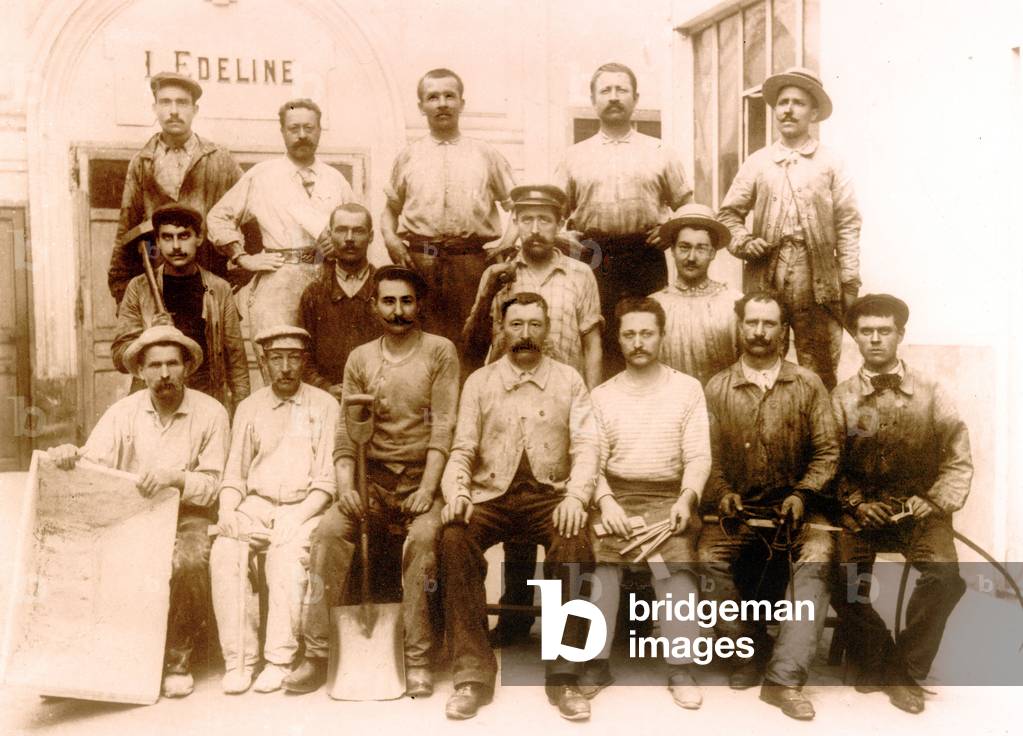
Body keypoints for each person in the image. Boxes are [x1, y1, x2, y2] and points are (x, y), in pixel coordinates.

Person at [285, 266, 459, 697]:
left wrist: (427, 489)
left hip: (423, 481)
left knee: (422, 544)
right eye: (388, 301)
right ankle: (317, 651)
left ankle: (417, 657)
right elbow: (347, 432)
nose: (397, 311)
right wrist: (347, 489)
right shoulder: (361, 358)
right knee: (328, 534)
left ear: (418, 304)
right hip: (372, 480)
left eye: (406, 301)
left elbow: (443, 427)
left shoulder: (440, 352)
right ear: (374, 304)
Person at [438, 292, 597, 721]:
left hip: (550, 497)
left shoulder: (569, 380)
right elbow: (462, 448)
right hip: (492, 495)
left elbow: (587, 447)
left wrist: (577, 496)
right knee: (454, 538)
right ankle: (472, 675)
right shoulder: (481, 382)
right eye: (516, 325)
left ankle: (565, 677)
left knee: (575, 545)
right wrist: (457, 492)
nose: (525, 334)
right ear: (502, 329)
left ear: (547, 330)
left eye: (534, 325)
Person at [48, 325, 230, 699]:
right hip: (131, 514)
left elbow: (213, 484)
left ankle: (178, 659)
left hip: (189, 513)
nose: (165, 374)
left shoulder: (211, 413)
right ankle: (85, 660)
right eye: (155, 365)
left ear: (187, 367)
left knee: (190, 560)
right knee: (88, 555)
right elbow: (93, 461)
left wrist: (174, 478)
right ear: (140, 371)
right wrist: (69, 455)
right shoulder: (122, 413)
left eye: (173, 364)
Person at [697, 290, 839, 721]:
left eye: (769, 324)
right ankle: (747, 651)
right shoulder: (716, 388)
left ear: (784, 330)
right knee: (706, 558)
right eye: (752, 323)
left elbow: (828, 452)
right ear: (740, 327)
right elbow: (707, 457)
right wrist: (723, 492)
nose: (759, 333)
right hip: (736, 514)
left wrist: (802, 494)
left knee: (817, 560)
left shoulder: (807, 383)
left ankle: (784, 679)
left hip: (798, 510)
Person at [830, 294, 972, 714]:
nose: (875, 339)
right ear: (855, 337)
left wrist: (934, 499)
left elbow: (957, 456)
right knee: (840, 579)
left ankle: (899, 666)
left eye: (884, 331)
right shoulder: (840, 399)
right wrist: (854, 503)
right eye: (866, 331)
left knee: (947, 577)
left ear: (900, 335)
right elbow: (828, 463)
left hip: (918, 511)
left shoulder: (932, 392)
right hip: (862, 513)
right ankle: (888, 663)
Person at [582, 297, 710, 709]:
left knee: (677, 572)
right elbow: (590, 460)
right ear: (618, 339)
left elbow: (698, 456)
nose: (638, 342)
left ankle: (680, 668)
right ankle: (596, 664)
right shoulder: (601, 396)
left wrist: (687, 500)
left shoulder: (687, 389)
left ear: (662, 336)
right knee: (605, 566)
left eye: (647, 333)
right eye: (629, 334)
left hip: (669, 498)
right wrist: (605, 502)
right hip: (616, 498)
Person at [209, 326, 339, 694]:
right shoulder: (250, 407)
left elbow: (327, 482)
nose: (285, 367)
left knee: (284, 555)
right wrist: (229, 512)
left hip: (306, 506)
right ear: (263, 362)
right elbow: (234, 474)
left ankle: (279, 659)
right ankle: (240, 660)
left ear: (304, 360)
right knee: (224, 550)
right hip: (257, 503)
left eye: (294, 357)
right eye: (277, 358)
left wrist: (296, 518)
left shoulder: (325, 406)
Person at [718, 67, 861, 390]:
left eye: (798, 103)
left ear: (813, 113)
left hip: (818, 279)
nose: (788, 110)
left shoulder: (830, 162)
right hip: (766, 274)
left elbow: (849, 223)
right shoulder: (758, 162)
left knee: (819, 367)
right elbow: (728, 216)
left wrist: (849, 282)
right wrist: (744, 242)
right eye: (782, 102)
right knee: (761, 356)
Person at [555, 62, 693, 376]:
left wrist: (670, 230)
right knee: (598, 335)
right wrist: (561, 237)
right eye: (606, 90)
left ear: (636, 98)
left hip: (644, 255)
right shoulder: (574, 156)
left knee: (645, 334)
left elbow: (686, 206)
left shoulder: (661, 152)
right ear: (593, 101)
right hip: (593, 256)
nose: (614, 97)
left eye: (622, 90)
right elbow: (554, 213)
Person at [207, 98, 354, 374]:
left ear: (320, 130)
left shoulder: (335, 179)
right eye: (294, 128)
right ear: (283, 132)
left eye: (309, 128)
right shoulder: (263, 175)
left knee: (327, 365)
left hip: (328, 277)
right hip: (279, 280)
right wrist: (241, 257)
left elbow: (357, 230)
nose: (301, 135)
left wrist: (339, 244)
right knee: (280, 365)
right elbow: (218, 217)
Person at [381, 68, 517, 344]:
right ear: (422, 107)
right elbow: (390, 210)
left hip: (470, 264)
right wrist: (391, 240)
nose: (442, 103)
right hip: (419, 262)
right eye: (433, 97)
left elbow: (518, 207)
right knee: (418, 341)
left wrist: (507, 242)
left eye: (449, 96)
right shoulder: (409, 156)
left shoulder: (485, 154)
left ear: (461, 103)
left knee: (471, 341)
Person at [108, 72, 244, 305]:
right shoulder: (142, 163)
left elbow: (252, 216)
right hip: (158, 287)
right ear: (155, 108)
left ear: (195, 110)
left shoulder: (220, 160)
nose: (173, 110)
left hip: (209, 287)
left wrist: (241, 268)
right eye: (165, 102)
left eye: (182, 102)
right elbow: (127, 230)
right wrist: (120, 287)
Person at [111, 203, 249, 411]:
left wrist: (241, 413)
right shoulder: (139, 288)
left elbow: (236, 360)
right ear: (157, 241)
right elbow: (119, 357)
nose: (176, 246)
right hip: (154, 399)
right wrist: (148, 335)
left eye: (184, 236)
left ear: (199, 238)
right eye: (167, 237)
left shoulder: (219, 289)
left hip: (206, 398)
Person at [468, 184, 603, 388]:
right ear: (516, 223)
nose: (535, 230)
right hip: (510, 392)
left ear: (559, 225)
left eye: (544, 220)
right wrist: (488, 295)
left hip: (565, 393)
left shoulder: (581, 274)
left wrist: (591, 401)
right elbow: (474, 347)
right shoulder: (496, 275)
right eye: (527, 219)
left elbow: (592, 347)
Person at [298, 203, 382, 399]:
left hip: (379, 400)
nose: (349, 238)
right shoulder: (314, 293)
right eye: (342, 230)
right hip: (325, 400)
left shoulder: (386, 289)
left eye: (358, 231)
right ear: (330, 234)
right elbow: (302, 353)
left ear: (371, 236)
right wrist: (325, 387)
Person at [650, 203, 740, 385]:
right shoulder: (654, 306)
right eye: (684, 247)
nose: (691, 257)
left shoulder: (734, 303)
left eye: (701, 248)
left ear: (713, 253)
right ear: (673, 250)